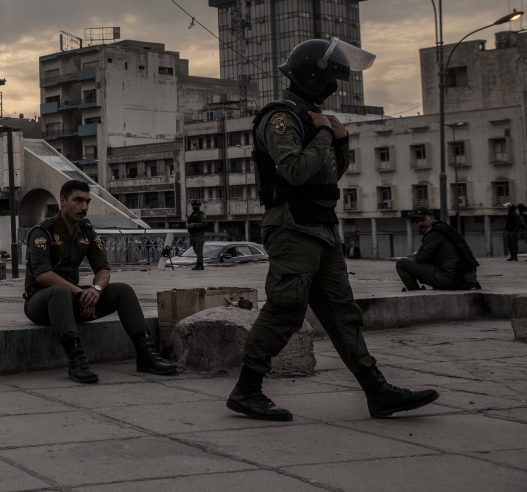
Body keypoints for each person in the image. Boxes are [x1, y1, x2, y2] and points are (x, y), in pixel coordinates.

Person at [229, 37, 438, 422]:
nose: (334, 88)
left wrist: (341, 142)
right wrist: (325, 133)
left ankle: (377, 390)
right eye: (330, 80)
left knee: (344, 314)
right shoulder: (282, 117)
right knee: (286, 309)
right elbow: (293, 170)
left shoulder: (314, 119)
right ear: (311, 76)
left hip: (322, 228)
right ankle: (246, 390)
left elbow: (330, 175)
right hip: (292, 228)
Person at [23, 179, 175, 383]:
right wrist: (79, 294)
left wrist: (95, 291)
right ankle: (76, 359)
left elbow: (103, 268)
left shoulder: (86, 230)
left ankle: (146, 354)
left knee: (123, 290)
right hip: (42, 301)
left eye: (87, 201)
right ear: (63, 201)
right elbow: (43, 275)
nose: (84, 207)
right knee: (59, 292)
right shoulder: (43, 231)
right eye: (78, 200)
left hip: (75, 298)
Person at [396, 207, 479, 291]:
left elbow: (420, 258)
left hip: (453, 280)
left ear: (432, 218)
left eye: (422, 219)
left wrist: (414, 257)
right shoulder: (446, 229)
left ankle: (415, 293)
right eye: (417, 222)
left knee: (401, 263)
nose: (420, 224)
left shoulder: (434, 233)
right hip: (468, 281)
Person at [186, 199, 207, 270]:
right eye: (193, 205)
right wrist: (188, 225)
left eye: (196, 205)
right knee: (195, 250)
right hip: (192, 234)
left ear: (199, 206)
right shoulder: (192, 215)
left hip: (199, 234)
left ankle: (200, 264)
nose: (195, 206)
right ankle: (199, 263)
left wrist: (194, 225)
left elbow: (204, 223)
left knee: (199, 250)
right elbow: (188, 222)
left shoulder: (201, 214)